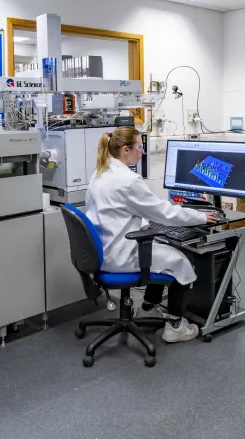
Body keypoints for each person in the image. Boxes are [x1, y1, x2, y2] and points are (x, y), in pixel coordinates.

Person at [85, 126, 218, 343]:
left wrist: (146, 222)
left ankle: (148, 306)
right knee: (183, 260)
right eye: (140, 146)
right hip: (121, 255)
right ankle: (175, 325)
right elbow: (164, 212)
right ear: (126, 150)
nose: (143, 151)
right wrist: (200, 217)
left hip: (104, 249)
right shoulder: (128, 180)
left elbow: (116, 211)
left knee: (161, 249)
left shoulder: (101, 171)